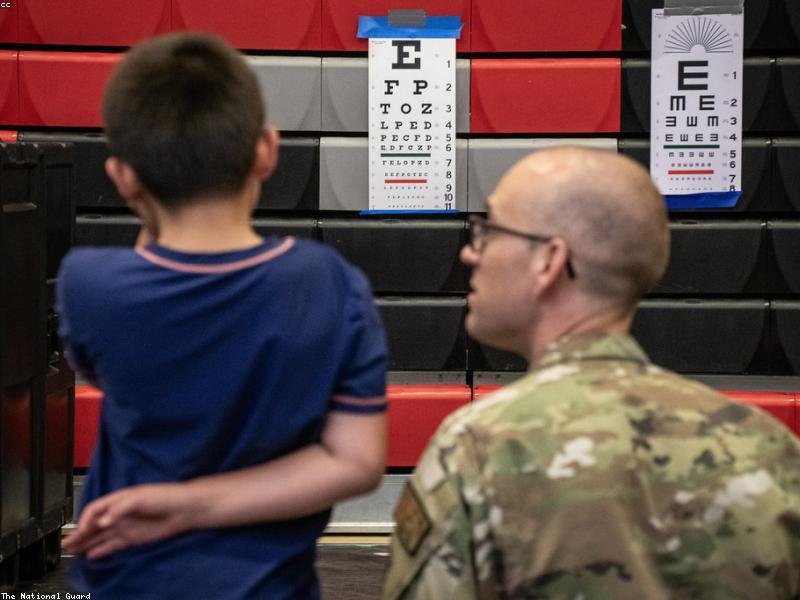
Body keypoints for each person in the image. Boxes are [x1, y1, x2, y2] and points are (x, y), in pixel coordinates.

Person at [384, 147, 800, 599]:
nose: (469, 252)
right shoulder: (768, 447)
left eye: (488, 230)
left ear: (549, 260)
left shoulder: (480, 448)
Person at [58, 32, 388, 599]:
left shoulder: (88, 284)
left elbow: (108, 368)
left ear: (122, 177)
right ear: (266, 151)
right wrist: (189, 507)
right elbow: (357, 462)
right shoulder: (330, 283)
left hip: (131, 581)